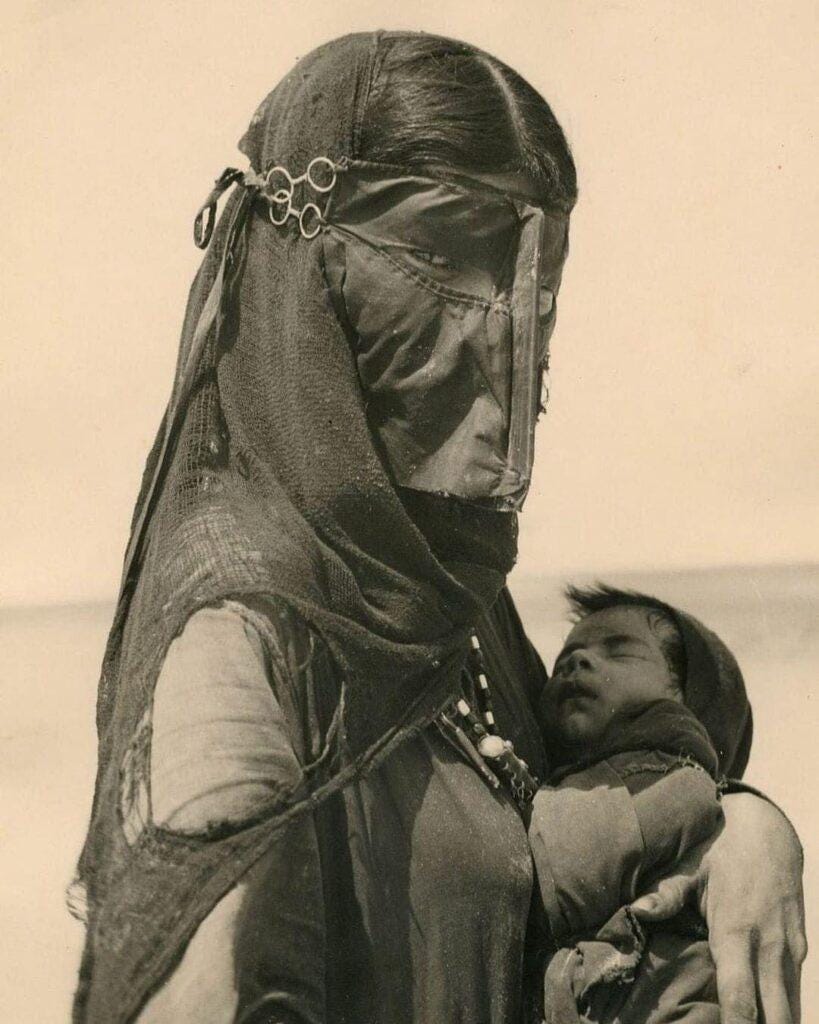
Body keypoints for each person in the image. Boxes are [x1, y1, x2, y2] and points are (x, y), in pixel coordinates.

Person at [69, 32, 806, 1024]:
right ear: (315, 271)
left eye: (523, 283)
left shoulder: (442, 589)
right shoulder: (238, 631)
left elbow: (569, 809)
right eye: (445, 268)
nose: (499, 338)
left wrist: (749, 827)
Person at [523, 584, 751, 1021]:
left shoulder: (659, 776)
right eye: (563, 658)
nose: (577, 660)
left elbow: (556, 874)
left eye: (620, 652)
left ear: (683, 695)